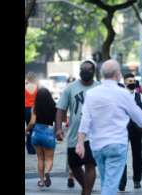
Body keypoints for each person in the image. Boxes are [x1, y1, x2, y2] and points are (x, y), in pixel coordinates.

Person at [75, 59, 142, 195]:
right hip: (116, 145)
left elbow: (85, 120)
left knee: (106, 181)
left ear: (102, 74)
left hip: (97, 145)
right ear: (118, 74)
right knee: (110, 185)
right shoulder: (123, 94)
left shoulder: (91, 94)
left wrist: (80, 142)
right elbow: (138, 116)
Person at [55, 59, 99, 195]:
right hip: (74, 134)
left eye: (88, 69)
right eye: (83, 69)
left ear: (94, 71)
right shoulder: (70, 88)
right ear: (79, 71)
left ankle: (86, 192)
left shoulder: (100, 88)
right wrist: (58, 128)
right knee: (74, 165)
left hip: (94, 135)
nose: (85, 71)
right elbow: (60, 109)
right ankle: (87, 189)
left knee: (90, 164)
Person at [119, 73, 142, 191]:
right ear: (125, 82)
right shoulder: (120, 95)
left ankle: (137, 180)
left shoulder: (139, 95)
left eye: (133, 81)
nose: (132, 83)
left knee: (137, 154)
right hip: (123, 128)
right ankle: (122, 182)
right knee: (122, 155)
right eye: (129, 81)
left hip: (136, 129)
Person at [25, 88, 57, 188]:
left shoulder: (35, 107)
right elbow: (59, 121)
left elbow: (32, 122)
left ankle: (42, 181)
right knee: (49, 159)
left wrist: (26, 130)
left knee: (40, 159)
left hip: (36, 133)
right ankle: (47, 173)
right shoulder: (54, 106)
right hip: (49, 133)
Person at [25, 72, 38, 155]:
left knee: (28, 128)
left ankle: (29, 148)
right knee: (35, 128)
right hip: (35, 109)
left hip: (26, 109)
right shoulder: (38, 87)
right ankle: (35, 147)